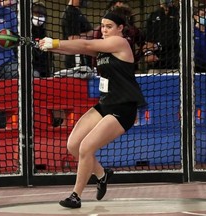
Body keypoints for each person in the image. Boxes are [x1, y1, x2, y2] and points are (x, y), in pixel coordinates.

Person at [39, 6, 145, 208]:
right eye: (102, 26)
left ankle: (75, 196)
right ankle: (102, 174)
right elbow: (78, 47)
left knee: (86, 148)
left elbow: (86, 46)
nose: (104, 30)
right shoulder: (103, 46)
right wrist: (50, 47)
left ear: (120, 28)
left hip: (123, 108)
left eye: (109, 26)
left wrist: (54, 41)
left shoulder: (120, 43)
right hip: (105, 104)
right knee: (73, 146)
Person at [93, 1, 146, 68]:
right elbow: (94, 53)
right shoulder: (99, 31)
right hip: (105, 70)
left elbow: (144, 45)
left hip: (127, 70)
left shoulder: (132, 30)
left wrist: (135, 59)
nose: (105, 30)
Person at [143, 0, 180, 71]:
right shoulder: (153, 15)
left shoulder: (180, 15)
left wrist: (158, 45)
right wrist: (149, 53)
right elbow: (148, 38)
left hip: (175, 64)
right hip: (156, 64)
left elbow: (177, 38)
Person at [61, 0, 93, 68]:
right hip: (76, 60)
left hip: (82, 58)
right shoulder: (71, 13)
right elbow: (73, 40)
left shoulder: (77, 12)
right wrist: (93, 33)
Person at [31, 1, 54, 77]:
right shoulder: (26, 33)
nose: (38, 17)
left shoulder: (46, 34)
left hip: (44, 70)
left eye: (41, 15)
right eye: (36, 14)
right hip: (31, 69)